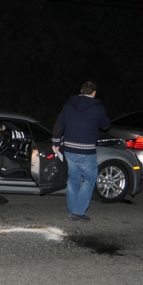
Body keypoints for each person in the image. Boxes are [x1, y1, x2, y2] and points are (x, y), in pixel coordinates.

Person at [52, 80, 110, 222]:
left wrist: (55, 141)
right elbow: (105, 125)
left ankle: (72, 211)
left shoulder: (68, 105)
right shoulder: (98, 107)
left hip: (70, 149)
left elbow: (59, 124)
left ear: (81, 90)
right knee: (89, 180)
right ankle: (78, 211)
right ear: (94, 92)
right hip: (86, 151)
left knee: (73, 180)